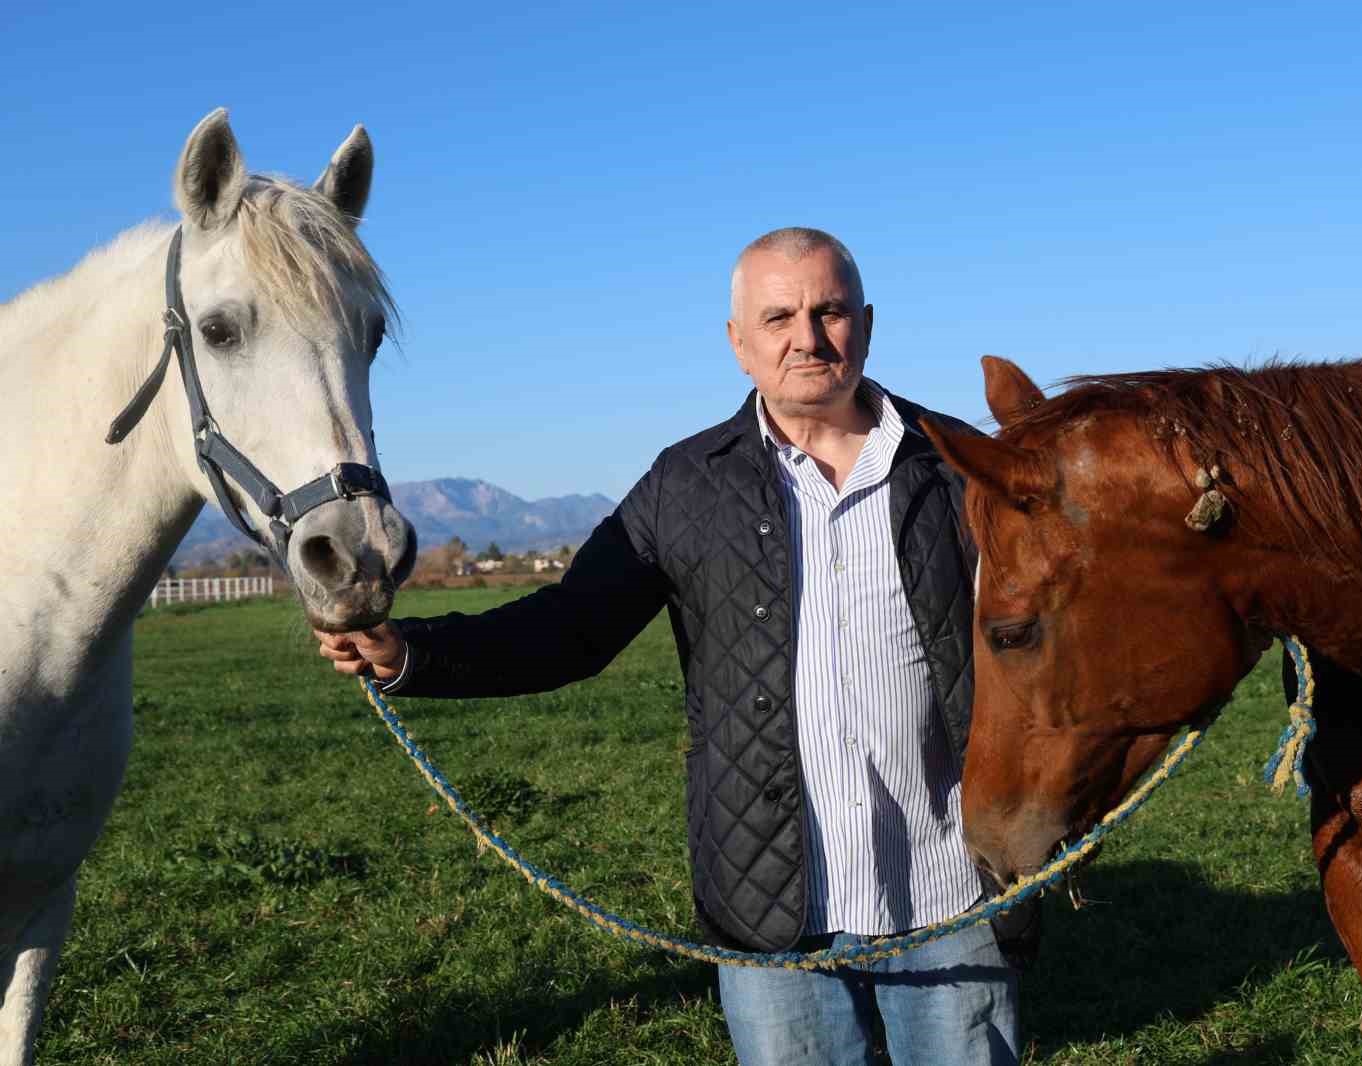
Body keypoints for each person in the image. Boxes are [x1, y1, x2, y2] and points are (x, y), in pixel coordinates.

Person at [315, 227, 1036, 1065]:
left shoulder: (962, 466)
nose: (807, 337)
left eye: (829, 311)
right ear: (739, 344)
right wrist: (413, 654)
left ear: (866, 325)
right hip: (769, 909)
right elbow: (571, 627)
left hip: (954, 890)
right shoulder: (684, 485)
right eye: (779, 317)